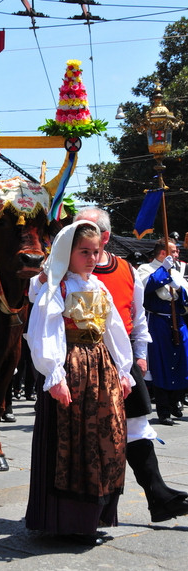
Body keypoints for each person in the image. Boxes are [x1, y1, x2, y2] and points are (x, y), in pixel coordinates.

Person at [75, 208, 188, 523]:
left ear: (105, 237)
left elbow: (138, 319)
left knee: (137, 425)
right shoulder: (66, 270)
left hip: (123, 360)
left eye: (84, 230)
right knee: (93, 434)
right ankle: (92, 507)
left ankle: (158, 496)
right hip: (84, 362)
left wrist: (140, 354)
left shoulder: (126, 270)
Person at [25, 220, 133, 545]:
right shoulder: (57, 288)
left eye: (95, 252)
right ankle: (69, 522)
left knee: (105, 441)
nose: (91, 257)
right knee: (73, 444)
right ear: (67, 253)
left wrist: (124, 371)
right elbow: (45, 330)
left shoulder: (99, 288)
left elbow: (113, 330)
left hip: (101, 372)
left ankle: (94, 516)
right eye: (84, 251)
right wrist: (54, 374)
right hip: (70, 370)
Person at [137, 239, 188, 426]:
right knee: (162, 364)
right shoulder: (146, 268)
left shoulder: (175, 271)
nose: (177, 255)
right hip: (158, 321)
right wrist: (163, 273)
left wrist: (179, 287)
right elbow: (144, 288)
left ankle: (176, 400)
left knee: (182, 360)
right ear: (163, 253)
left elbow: (185, 297)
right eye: (174, 252)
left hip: (177, 320)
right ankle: (164, 409)